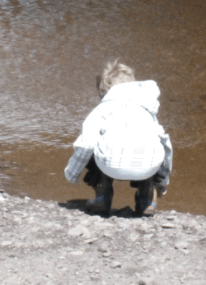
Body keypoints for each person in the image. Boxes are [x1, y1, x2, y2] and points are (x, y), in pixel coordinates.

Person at [65, 60, 173, 217]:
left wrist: (72, 174)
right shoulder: (147, 109)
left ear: (105, 91)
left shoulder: (102, 109)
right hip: (148, 167)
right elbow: (166, 145)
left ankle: (102, 196)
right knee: (154, 146)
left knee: (95, 144)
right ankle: (147, 198)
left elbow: (85, 145)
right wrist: (162, 182)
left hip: (109, 165)